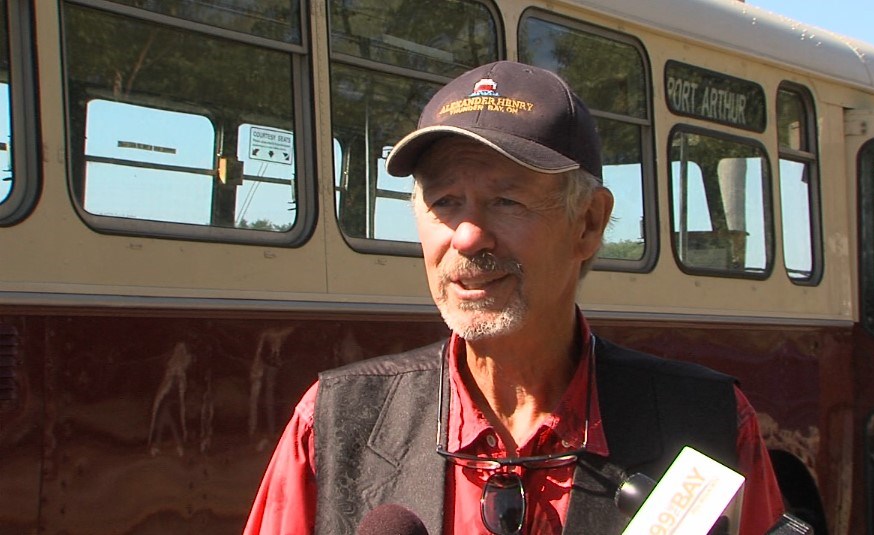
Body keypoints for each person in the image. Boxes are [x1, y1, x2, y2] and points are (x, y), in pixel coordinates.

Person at [243, 60, 784, 534]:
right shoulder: (333, 425)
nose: (467, 236)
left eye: (506, 201)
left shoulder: (708, 428)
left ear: (589, 223)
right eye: (444, 202)